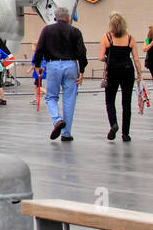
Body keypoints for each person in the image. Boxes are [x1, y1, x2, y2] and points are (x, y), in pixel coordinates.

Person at [32, 8, 87, 142]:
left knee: (51, 97)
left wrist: (38, 65)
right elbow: (81, 51)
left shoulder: (47, 30)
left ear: (55, 18)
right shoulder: (75, 31)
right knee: (69, 99)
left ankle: (57, 119)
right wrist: (82, 70)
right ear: (68, 18)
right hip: (71, 65)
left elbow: (39, 48)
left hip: (53, 64)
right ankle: (66, 133)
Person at [100, 11, 141, 142]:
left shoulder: (107, 37)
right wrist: (139, 74)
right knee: (126, 102)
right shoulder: (130, 38)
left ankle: (113, 124)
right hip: (128, 70)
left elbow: (101, 57)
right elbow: (136, 59)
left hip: (112, 70)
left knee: (110, 100)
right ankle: (126, 133)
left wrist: (108, 58)